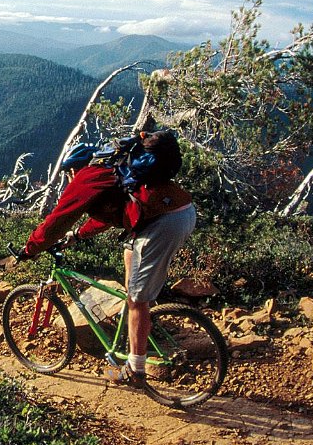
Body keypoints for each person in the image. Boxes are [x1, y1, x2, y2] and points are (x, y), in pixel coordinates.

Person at [19, 131, 196, 387]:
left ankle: (135, 369)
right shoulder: (110, 172)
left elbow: (58, 219)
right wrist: (77, 235)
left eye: (69, 173)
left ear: (74, 168)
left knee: (137, 299)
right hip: (178, 214)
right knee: (129, 259)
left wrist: (30, 249)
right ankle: (139, 319)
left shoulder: (87, 178)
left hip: (166, 223)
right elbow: (109, 215)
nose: (69, 178)